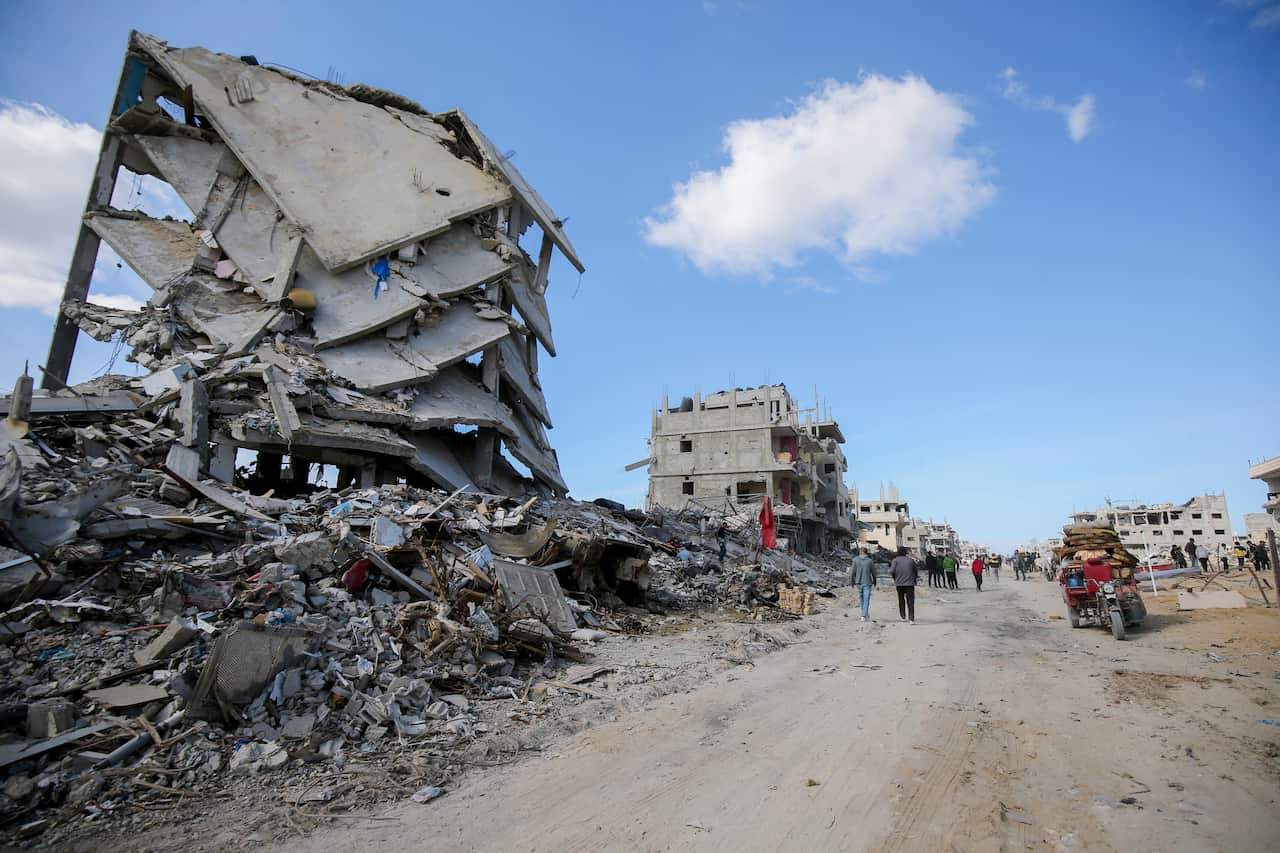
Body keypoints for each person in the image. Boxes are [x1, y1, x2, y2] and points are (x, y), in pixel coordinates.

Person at [889, 546, 918, 623]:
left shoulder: (895, 561)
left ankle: (903, 616)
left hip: (899, 583)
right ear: (906, 552)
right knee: (910, 601)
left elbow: (891, 571)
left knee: (901, 600)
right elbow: (915, 571)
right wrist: (914, 579)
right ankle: (911, 619)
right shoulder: (911, 560)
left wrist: (895, 577)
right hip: (910, 583)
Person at [851, 547, 876, 621]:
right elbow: (874, 573)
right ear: (866, 552)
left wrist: (852, 582)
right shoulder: (870, 561)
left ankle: (864, 614)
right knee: (866, 598)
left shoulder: (855, 560)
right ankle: (864, 614)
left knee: (862, 598)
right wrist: (875, 581)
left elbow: (852, 572)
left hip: (858, 582)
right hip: (867, 582)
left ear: (860, 552)